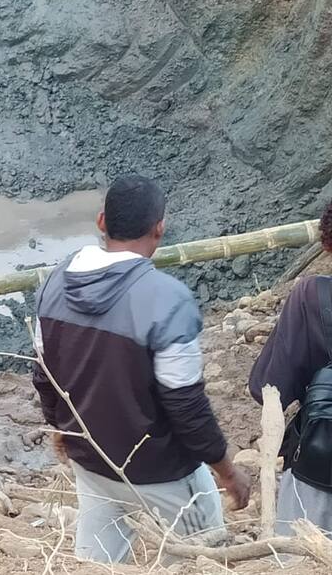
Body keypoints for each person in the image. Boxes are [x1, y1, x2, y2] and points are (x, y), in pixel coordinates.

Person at [33, 175, 250, 564]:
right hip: (162, 470)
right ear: (159, 228)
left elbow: (43, 374)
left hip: (92, 459)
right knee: (204, 555)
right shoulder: (168, 299)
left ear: (102, 221)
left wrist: (63, 429)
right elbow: (185, 404)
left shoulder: (55, 284)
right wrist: (227, 470)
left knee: (97, 562)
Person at [249, 201, 332, 535]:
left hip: (320, 469)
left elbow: (268, 389)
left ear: (327, 242)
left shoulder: (311, 296)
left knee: (298, 556)